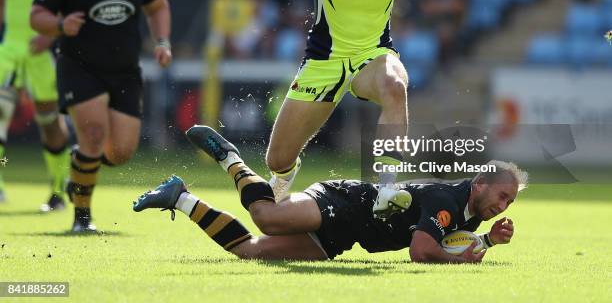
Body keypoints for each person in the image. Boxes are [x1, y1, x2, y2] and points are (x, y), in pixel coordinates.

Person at [183, 0, 512, 216]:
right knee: (277, 159)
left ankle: (387, 188)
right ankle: (283, 179)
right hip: (325, 61)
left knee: (396, 88)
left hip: (373, 54)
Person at [134, 126, 525, 262]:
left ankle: (180, 198)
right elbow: (423, 250)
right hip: (346, 201)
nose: (503, 205)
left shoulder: (470, 211)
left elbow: (451, 240)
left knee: (250, 251)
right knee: (267, 218)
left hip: (347, 235)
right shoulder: (446, 199)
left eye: (509, 201)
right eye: (503, 196)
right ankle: (231, 158)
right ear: (480, 183)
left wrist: (488, 239)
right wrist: (461, 263)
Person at [30, 0, 173, 232]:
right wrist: (60, 23)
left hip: (124, 69)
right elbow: (36, 17)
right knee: (93, 136)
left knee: (120, 152)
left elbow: (158, 6)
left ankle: (80, 169)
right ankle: (82, 219)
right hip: (79, 66)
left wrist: (162, 42)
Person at [0, 0, 73, 210]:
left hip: (44, 48)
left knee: (49, 121)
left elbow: (74, 0)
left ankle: (58, 191)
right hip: (10, 46)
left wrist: (53, 34)